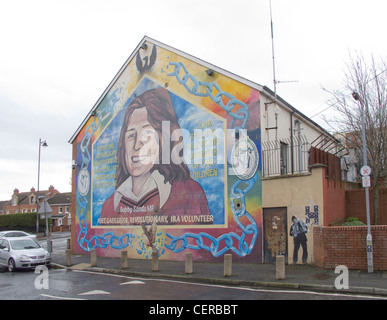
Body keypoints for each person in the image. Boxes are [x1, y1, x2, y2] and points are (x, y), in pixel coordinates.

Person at [100, 87, 212, 226]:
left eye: (146, 135)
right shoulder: (110, 205)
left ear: (163, 138)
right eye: (131, 135)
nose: (136, 145)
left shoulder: (189, 193)